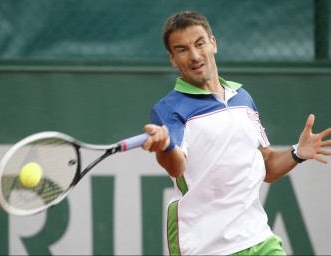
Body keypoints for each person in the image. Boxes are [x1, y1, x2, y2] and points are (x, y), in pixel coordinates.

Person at [141, 10, 331, 256]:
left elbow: (268, 166)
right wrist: (165, 146)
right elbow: (176, 167)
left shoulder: (243, 98)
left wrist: (298, 153)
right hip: (204, 246)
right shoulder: (169, 109)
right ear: (173, 58)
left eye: (199, 44)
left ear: (213, 43)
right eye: (182, 49)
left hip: (258, 238)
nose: (195, 56)